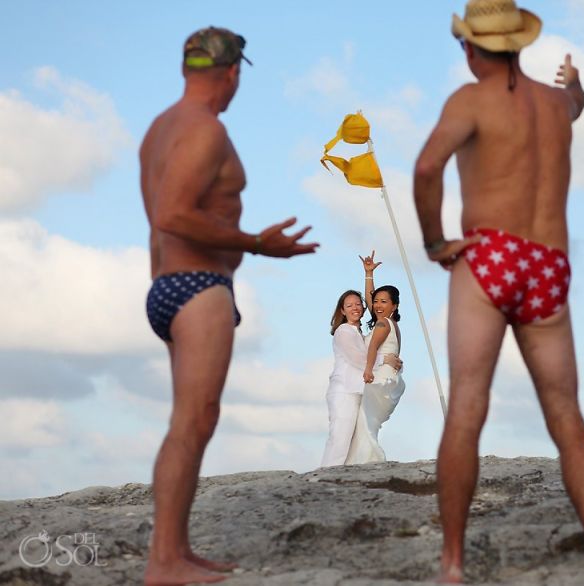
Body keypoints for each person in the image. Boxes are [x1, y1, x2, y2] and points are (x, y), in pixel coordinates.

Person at [413, 1, 584, 580]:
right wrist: (576, 84)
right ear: (520, 46)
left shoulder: (469, 100)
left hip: (490, 256)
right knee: (566, 414)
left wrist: (434, 242)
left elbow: (427, 169)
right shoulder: (556, 105)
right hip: (548, 264)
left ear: (471, 48)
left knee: (467, 409)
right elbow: (576, 102)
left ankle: (452, 561)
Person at [140, 27, 319, 585]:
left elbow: (157, 224)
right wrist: (258, 245)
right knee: (191, 423)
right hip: (198, 287)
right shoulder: (207, 131)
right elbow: (172, 214)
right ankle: (164, 561)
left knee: (193, 421)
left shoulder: (158, 130)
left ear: (185, 67)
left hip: (171, 285)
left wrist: (161, 290)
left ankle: (177, 552)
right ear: (234, 72)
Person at [320, 283, 402, 467]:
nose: (355, 308)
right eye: (349, 305)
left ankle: (345, 473)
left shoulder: (358, 332)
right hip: (344, 392)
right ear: (342, 310)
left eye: (358, 304)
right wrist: (385, 359)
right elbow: (358, 359)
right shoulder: (343, 331)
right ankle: (326, 475)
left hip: (357, 390)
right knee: (340, 438)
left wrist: (368, 274)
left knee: (353, 438)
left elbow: (376, 302)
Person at [344, 252, 406, 464]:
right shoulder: (391, 324)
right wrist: (369, 274)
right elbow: (372, 303)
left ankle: (365, 460)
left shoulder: (382, 324)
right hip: (389, 376)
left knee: (363, 419)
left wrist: (368, 369)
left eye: (384, 302)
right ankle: (362, 458)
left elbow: (372, 351)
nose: (378, 305)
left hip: (378, 376)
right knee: (368, 421)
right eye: (377, 301)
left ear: (394, 306)